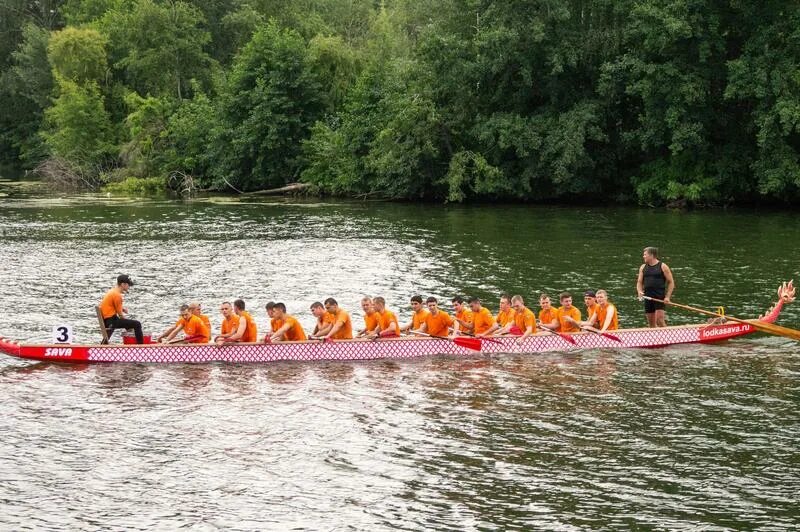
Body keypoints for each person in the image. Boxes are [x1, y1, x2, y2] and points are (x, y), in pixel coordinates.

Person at [636, 246, 676, 327]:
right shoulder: (643, 267)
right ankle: (655, 339)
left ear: (651, 255)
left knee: (659, 321)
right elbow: (639, 282)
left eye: (645, 254)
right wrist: (639, 291)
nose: (643, 256)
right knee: (651, 324)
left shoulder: (663, 266)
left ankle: (668, 337)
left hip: (659, 297)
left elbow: (671, 282)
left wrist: (667, 297)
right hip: (648, 297)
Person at [99, 274, 144, 344]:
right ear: (123, 284)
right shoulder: (117, 295)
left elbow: (112, 305)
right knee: (137, 324)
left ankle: (104, 345)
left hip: (108, 320)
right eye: (128, 285)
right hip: (111, 321)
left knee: (129, 324)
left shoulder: (112, 291)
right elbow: (121, 316)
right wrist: (127, 324)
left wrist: (122, 309)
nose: (129, 287)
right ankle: (141, 347)